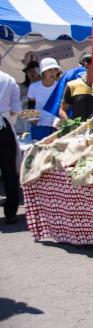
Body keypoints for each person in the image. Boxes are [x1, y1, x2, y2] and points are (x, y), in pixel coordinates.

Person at [0, 55, 23, 224]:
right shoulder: (8, 79)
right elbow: (16, 110)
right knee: (9, 171)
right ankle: (11, 213)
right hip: (4, 126)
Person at [27, 57, 60, 133]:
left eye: (55, 69)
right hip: (39, 126)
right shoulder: (34, 87)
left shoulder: (61, 86)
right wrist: (36, 122)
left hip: (57, 126)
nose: (53, 72)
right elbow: (30, 107)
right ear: (43, 72)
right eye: (49, 70)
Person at [15, 60, 41, 135]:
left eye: (34, 71)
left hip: (38, 120)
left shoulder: (43, 86)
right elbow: (16, 104)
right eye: (29, 71)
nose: (32, 73)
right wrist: (27, 99)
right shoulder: (21, 88)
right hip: (23, 121)